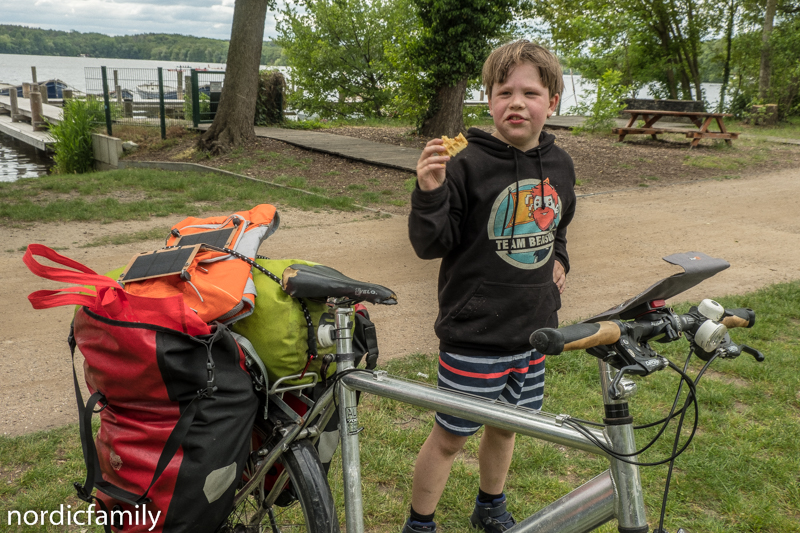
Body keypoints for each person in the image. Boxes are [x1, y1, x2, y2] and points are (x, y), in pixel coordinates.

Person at [404, 40, 577, 533]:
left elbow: (559, 224)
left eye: (530, 92)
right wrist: (430, 191)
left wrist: (559, 256)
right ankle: (419, 523)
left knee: (507, 427)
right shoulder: (464, 165)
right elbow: (430, 244)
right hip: (474, 332)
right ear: (489, 100)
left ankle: (490, 505)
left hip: (534, 330)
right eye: (504, 92)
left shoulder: (560, 165)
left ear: (553, 102)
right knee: (450, 437)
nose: (516, 103)